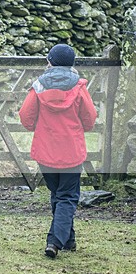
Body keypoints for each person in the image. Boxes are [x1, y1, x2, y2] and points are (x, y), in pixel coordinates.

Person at [18, 44, 97, 258]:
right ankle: (55, 240)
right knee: (67, 197)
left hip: (45, 150)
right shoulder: (79, 87)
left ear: (50, 62)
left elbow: (26, 116)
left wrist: (40, 126)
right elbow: (89, 119)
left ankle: (68, 239)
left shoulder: (39, 86)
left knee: (59, 194)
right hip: (71, 150)